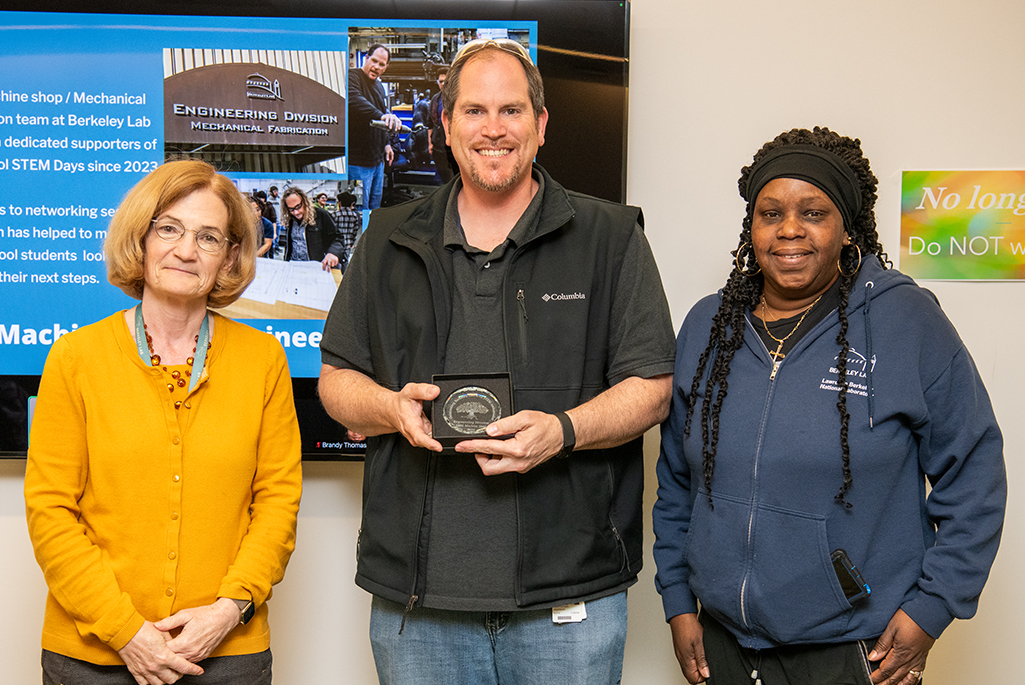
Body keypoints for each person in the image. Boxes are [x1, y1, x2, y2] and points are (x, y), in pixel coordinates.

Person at [318, 38, 675, 685]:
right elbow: (338, 380)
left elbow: (650, 386)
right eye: (474, 111)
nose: (492, 128)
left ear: (540, 126)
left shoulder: (611, 238)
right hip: (417, 608)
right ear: (446, 128)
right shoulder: (385, 240)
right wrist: (387, 408)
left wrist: (562, 431)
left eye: (510, 111)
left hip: (568, 603)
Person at [653, 127, 1006, 685]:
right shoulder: (708, 326)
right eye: (770, 214)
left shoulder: (904, 321)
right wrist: (677, 598)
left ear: (846, 228)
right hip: (722, 641)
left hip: (853, 649)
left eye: (813, 212)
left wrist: (932, 608)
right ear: (751, 229)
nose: (789, 229)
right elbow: (676, 480)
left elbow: (975, 470)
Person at [25, 159, 303, 685]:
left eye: (209, 237)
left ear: (230, 257)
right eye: (169, 229)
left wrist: (226, 613)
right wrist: (128, 632)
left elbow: (277, 503)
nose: (185, 250)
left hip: (227, 654)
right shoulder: (74, 358)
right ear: (142, 238)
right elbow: (50, 512)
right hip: (92, 658)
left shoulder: (263, 360)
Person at [348, 44, 403, 210]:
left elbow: (382, 112)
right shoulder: (352, 77)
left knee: (373, 210)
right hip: (357, 162)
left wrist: (386, 143)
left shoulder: (379, 86)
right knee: (359, 211)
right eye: (374, 61)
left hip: (377, 161)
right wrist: (382, 115)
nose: (376, 67)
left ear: (385, 67)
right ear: (366, 58)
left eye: (381, 64)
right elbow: (354, 99)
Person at [279, 186, 344, 271]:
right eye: (291, 209)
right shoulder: (290, 219)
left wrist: (333, 253)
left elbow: (338, 238)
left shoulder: (321, 215)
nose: (296, 212)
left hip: (317, 268)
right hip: (294, 267)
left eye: (298, 207)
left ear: (305, 202)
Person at [428, 66, 458, 183]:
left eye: (446, 81)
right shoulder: (435, 99)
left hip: (453, 148)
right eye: (441, 81)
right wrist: (430, 143)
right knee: (444, 179)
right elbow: (429, 123)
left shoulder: (457, 100)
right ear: (437, 82)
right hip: (438, 148)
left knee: (455, 179)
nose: (443, 84)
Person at [330, 191, 361, 273]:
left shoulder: (334, 215)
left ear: (340, 203)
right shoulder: (354, 216)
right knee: (345, 262)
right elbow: (355, 231)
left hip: (335, 245)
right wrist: (352, 242)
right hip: (347, 243)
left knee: (335, 264)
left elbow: (331, 232)